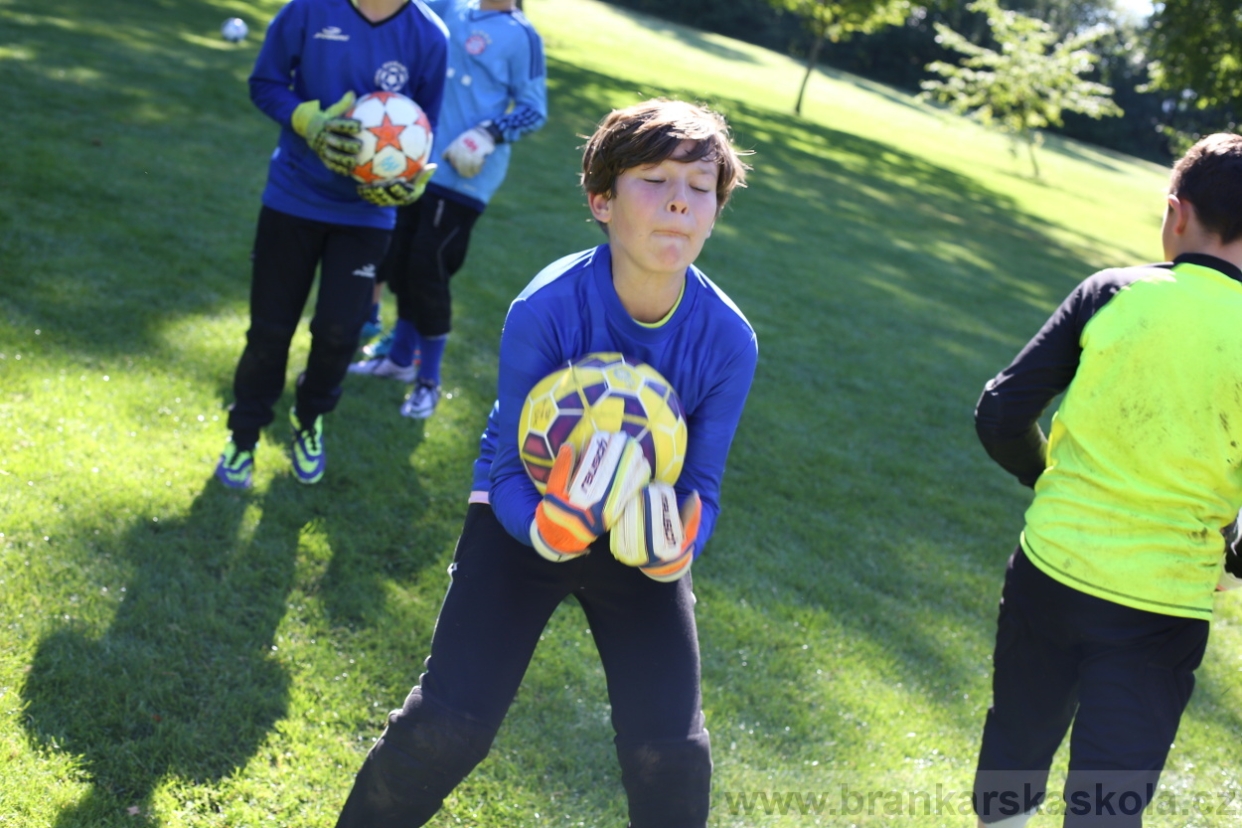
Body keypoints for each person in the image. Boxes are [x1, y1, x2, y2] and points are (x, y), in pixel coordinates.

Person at [333, 99, 756, 828]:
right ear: (601, 200)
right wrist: (545, 525)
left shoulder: (729, 342)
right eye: (654, 179)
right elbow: (501, 465)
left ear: (716, 209)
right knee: (447, 729)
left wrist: (677, 546)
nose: (681, 200)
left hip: (636, 537)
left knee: (673, 757)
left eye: (702, 183)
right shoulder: (547, 307)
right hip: (522, 513)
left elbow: (702, 489)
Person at [971, 133, 1242, 827]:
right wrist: (1232, 557)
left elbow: (1002, 415)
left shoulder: (1111, 291)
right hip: (1165, 607)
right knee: (1106, 806)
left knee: (1014, 759)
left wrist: (1056, 485)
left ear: (1177, 214)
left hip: (1052, 571)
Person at [213, 0, 448, 489]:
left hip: (367, 213)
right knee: (269, 331)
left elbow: (426, 128)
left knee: (340, 332)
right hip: (293, 199)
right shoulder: (307, 10)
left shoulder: (430, 35)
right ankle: (243, 437)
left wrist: (414, 179)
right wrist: (304, 119)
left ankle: (311, 418)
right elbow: (265, 83)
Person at [348, 0, 548, 420]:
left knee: (428, 270)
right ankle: (399, 360)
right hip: (416, 162)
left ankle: (429, 382)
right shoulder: (450, 9)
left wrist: (490, 132)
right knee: (401, 262)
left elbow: (534, 109)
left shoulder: (523, 36)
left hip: (464, 177)